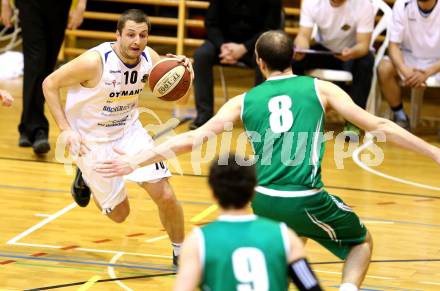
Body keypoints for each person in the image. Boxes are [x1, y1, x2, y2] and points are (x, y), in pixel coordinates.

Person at [95, 31, 440, 290]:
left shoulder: (245, 100)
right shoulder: (320, 89)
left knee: (293, 241)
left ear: (259, 62)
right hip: (304, 196)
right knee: (361, 243)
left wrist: (135, 161)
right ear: (294, 57)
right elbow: (380, 125)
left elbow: (191, 139)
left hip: (259, 199)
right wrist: (434, 153)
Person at [43, 9, 190, 266]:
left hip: (129, 133)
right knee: (121, 215)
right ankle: (85, 177)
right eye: (131, 34)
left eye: (143, 35)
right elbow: (49, 83)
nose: (137, 41)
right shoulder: (94, 62)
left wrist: (185, 73)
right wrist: (65, 128)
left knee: (165, 194)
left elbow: (181, 100)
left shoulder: (149, 58)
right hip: (91, 141)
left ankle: (181, 253)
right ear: (118, 34)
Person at [174, 154, 323, 291]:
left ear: (213, 193)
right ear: (253, 190)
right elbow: (311, 287)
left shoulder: (197, 242)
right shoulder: (285, 237)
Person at [1, 0, 86, 155]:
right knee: (35, 59)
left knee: (47, 64)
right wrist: (5, 3)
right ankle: (38, 129)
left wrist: (81, 5)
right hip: (29, 3)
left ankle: (27, 127)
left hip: (59, 5)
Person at [189, 0, 282, 129]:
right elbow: (211, 23)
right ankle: (204, 115)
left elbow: (270, 29)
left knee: (266, 59)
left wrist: (244, 48)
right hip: (224, 45)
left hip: (256, 45)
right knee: (201, 55)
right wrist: (222, 46)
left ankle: (259, 117)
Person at [292, 0, 375, 137]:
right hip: (325, 50)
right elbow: (303, 35)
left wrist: (352, 52)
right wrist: (301, 48)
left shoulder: (364, 5)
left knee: (366, 62)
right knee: (294, 60)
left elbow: (363, 45)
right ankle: (297, 115)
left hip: (351, 52)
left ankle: (353, 122)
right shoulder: (311, 2)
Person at [377, 0, 440, 130]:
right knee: (384, 68)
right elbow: (393, 45)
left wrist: (427, 72)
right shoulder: (402, 4)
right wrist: (406, 71)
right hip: (408, 58)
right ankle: (400, 115)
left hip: (437, 62)